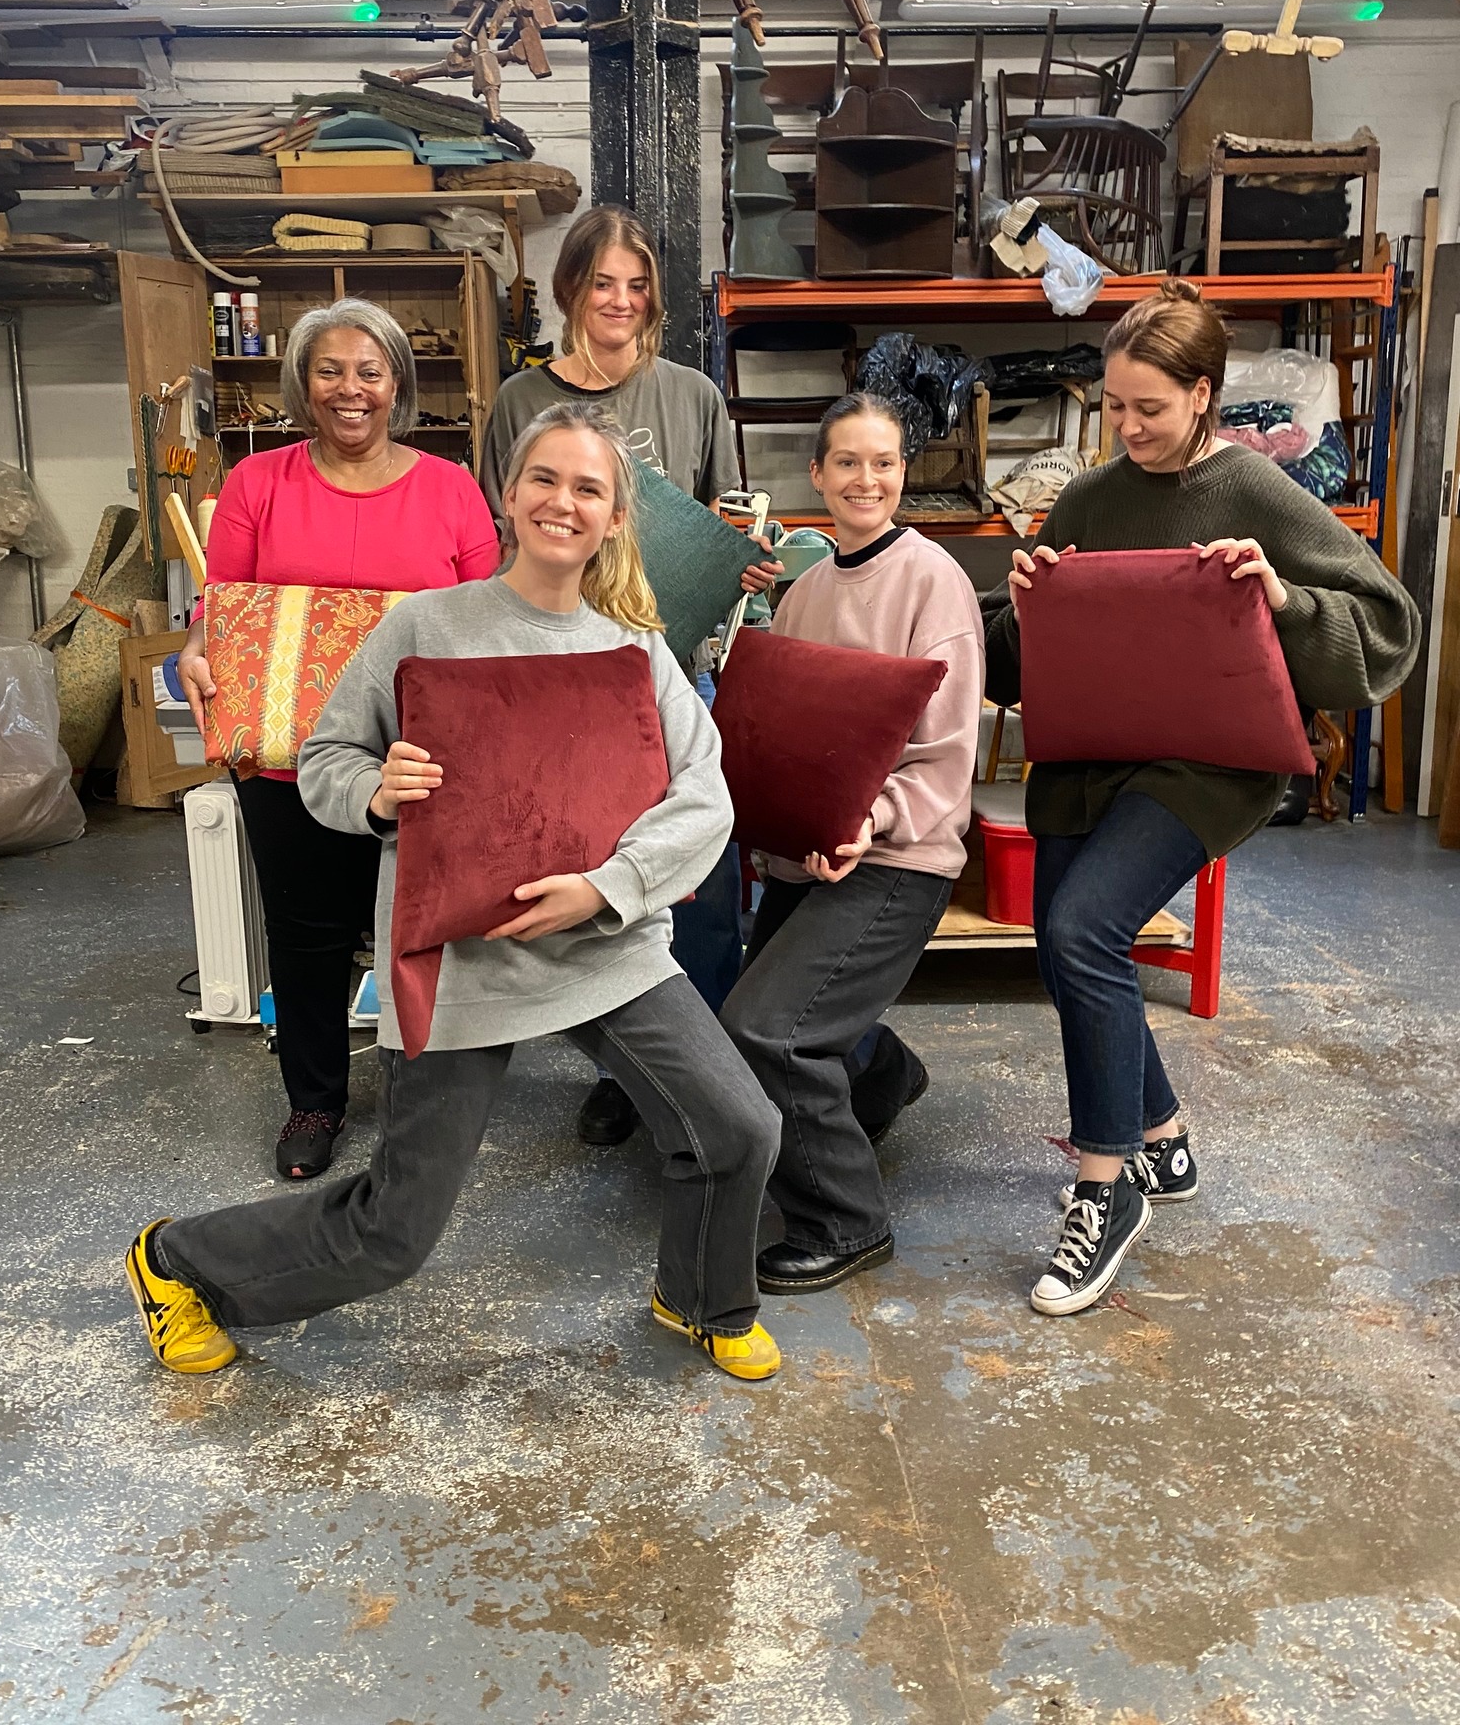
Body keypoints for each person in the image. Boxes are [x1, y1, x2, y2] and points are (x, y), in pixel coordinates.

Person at [126, 404, 784, 1385]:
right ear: (508, 497)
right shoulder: (425, 627)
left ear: (613, 520)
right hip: (458, 956)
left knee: (741, 1126)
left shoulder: (632, 649)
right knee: (396, 1232)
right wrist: (378, 796)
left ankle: (701, 1298)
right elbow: (326, 765)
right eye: (545, 480)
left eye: (589, 488)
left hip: (602, 942)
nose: (564, 501)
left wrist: (607, 889)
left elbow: (706, 796)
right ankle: (180, 1263)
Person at [982, 279, 1420, 1318]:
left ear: (1204, 395)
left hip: (1206, 764)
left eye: (1151, 408)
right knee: (1058, 942)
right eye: (1116, 406)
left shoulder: (1256, 492)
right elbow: (1012, 668)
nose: (1128, 427)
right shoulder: (1092, 498)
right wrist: (1029, 601)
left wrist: (1282, 596)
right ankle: (1164, 1137)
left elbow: (1386, 627)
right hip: (1095, 754)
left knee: (1087, 929)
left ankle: (1109, 1185)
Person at [177, 297, 499, 1181]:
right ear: (302, 384)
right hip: (287, 755)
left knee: (421, 931)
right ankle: (313, 1100)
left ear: (398, 381)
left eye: (370, 370)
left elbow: (486, 620)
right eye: (330, 370)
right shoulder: (257, 483)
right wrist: (197, 654)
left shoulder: (451, 488)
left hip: (417, 759)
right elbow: (221, 611)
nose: (349, 390)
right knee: (307, 929)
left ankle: (426, 1101)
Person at [483, 204, 780, 1147]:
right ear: (571, 288)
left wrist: (751, 556)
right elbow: (495, 543)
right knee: (590, 887)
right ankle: (626, 1070)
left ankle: (716, 1070)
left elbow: (727, 524)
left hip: (670, 671)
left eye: (638, 285)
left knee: (688, 886)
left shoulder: (693, 396)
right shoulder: (519, 405)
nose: (620, 301)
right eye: (602, 282)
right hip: (558, 680)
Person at [720, 393, 986, 1294]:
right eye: (847, 463)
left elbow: (946, 758)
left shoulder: (933, 581)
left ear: (903, 473)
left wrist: (867, 822)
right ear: (818, 476)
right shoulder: (806, 590)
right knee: (753, 1015)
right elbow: (788, 737)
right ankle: (883, 1075)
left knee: (767, 1032)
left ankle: (847, 1221)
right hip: (814, 853)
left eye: (884, 463)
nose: (865, 480)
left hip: (898, 855)